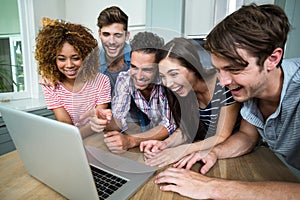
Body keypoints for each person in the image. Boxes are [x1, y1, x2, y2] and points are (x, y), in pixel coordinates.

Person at [154, 4, 300, 199]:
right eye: (219, 69)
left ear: (272, 59)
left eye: (234, 69)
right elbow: (247, 137)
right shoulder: (252, 92)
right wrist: (214, 153)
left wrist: (213, 187)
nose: (223, 82)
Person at [139, 37, 241, 167]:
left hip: (233, 155)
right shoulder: (184, 91)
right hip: (205, 153)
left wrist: (181, 151)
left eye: (174, 74)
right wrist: (165, 144)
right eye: (163, 76)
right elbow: (186, 129)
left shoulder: (223, 85)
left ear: (193, 67)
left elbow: (221, 136)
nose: (168, 83)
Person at [84, 31, 177, 154]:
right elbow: (119, 119)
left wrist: (131, 140)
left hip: (179, 141)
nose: (138, 76)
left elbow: (169, 124)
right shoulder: (125, 79)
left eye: (147, 69)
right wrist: (105, 120)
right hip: (151, 142)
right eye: (134, 67)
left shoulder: (168, 82)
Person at [35, 20, 111, 138]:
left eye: (75, 58)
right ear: (52, 60)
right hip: (70, 140)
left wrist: (77, 134)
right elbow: (65, 123)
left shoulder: (102, 81)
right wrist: (74, 136)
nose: (69, 65)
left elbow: (98, 121)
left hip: (96, 139)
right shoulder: (50, 85)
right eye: (61, 59)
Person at [97, 6, 131, 94]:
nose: (111, 42)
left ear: (127, 36)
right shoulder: (91, 63)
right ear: (99, 34)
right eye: (106, 34)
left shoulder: (138, 59)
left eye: (117, 35)